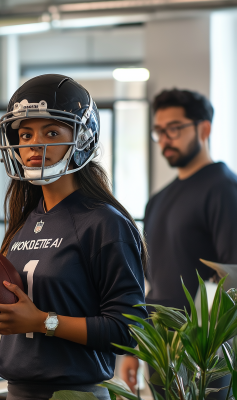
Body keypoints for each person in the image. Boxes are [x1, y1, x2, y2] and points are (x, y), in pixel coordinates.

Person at [0, 74, 147, 400]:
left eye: (52, 132)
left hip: (75, 393)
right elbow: (20, 314)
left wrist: (44, 322)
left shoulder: (104, 223)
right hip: (16, 391)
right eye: (26, 133)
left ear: (83, 139)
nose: (34, 144)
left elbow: (129, 330)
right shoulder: (24, 222)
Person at [120, 89, 237, 395]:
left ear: (204, 128)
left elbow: (232, 276)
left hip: (206, 353)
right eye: (159, 131)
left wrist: (197, 339)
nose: (165, 138)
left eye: (174, 128)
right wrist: (136, 346)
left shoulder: (224, 189)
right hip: (159, 347)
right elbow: (153, 283)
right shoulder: (158, 200)